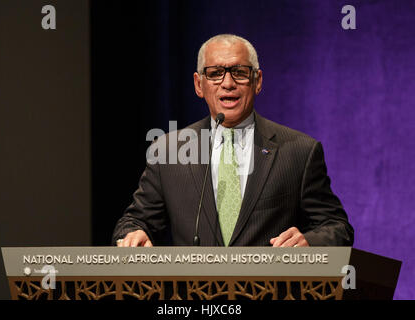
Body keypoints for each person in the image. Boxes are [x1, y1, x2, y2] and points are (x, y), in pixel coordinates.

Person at [112, 34, 354, 247]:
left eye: (239, 72)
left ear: (257, 81)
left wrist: (309, 241)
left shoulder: (299, 151)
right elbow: (135, 221)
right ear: (199, 84)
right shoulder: (169, 150)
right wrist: (134, 234)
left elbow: (337, 227)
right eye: (215, 73)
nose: (228, 83)